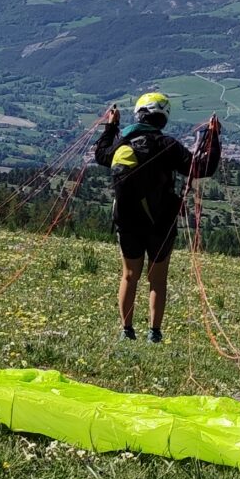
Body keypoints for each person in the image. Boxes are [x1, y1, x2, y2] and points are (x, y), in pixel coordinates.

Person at [94, 91, 193, 343]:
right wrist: (213, 138)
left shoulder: (124, 142)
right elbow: (201, 167)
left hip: (128, 220)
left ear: (139, 114)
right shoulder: (168, 145)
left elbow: (101, 154)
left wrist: (111, 125)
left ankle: (126, 331)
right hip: (161, 221)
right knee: (157, 279)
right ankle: (154, 333)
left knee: (129, 275)